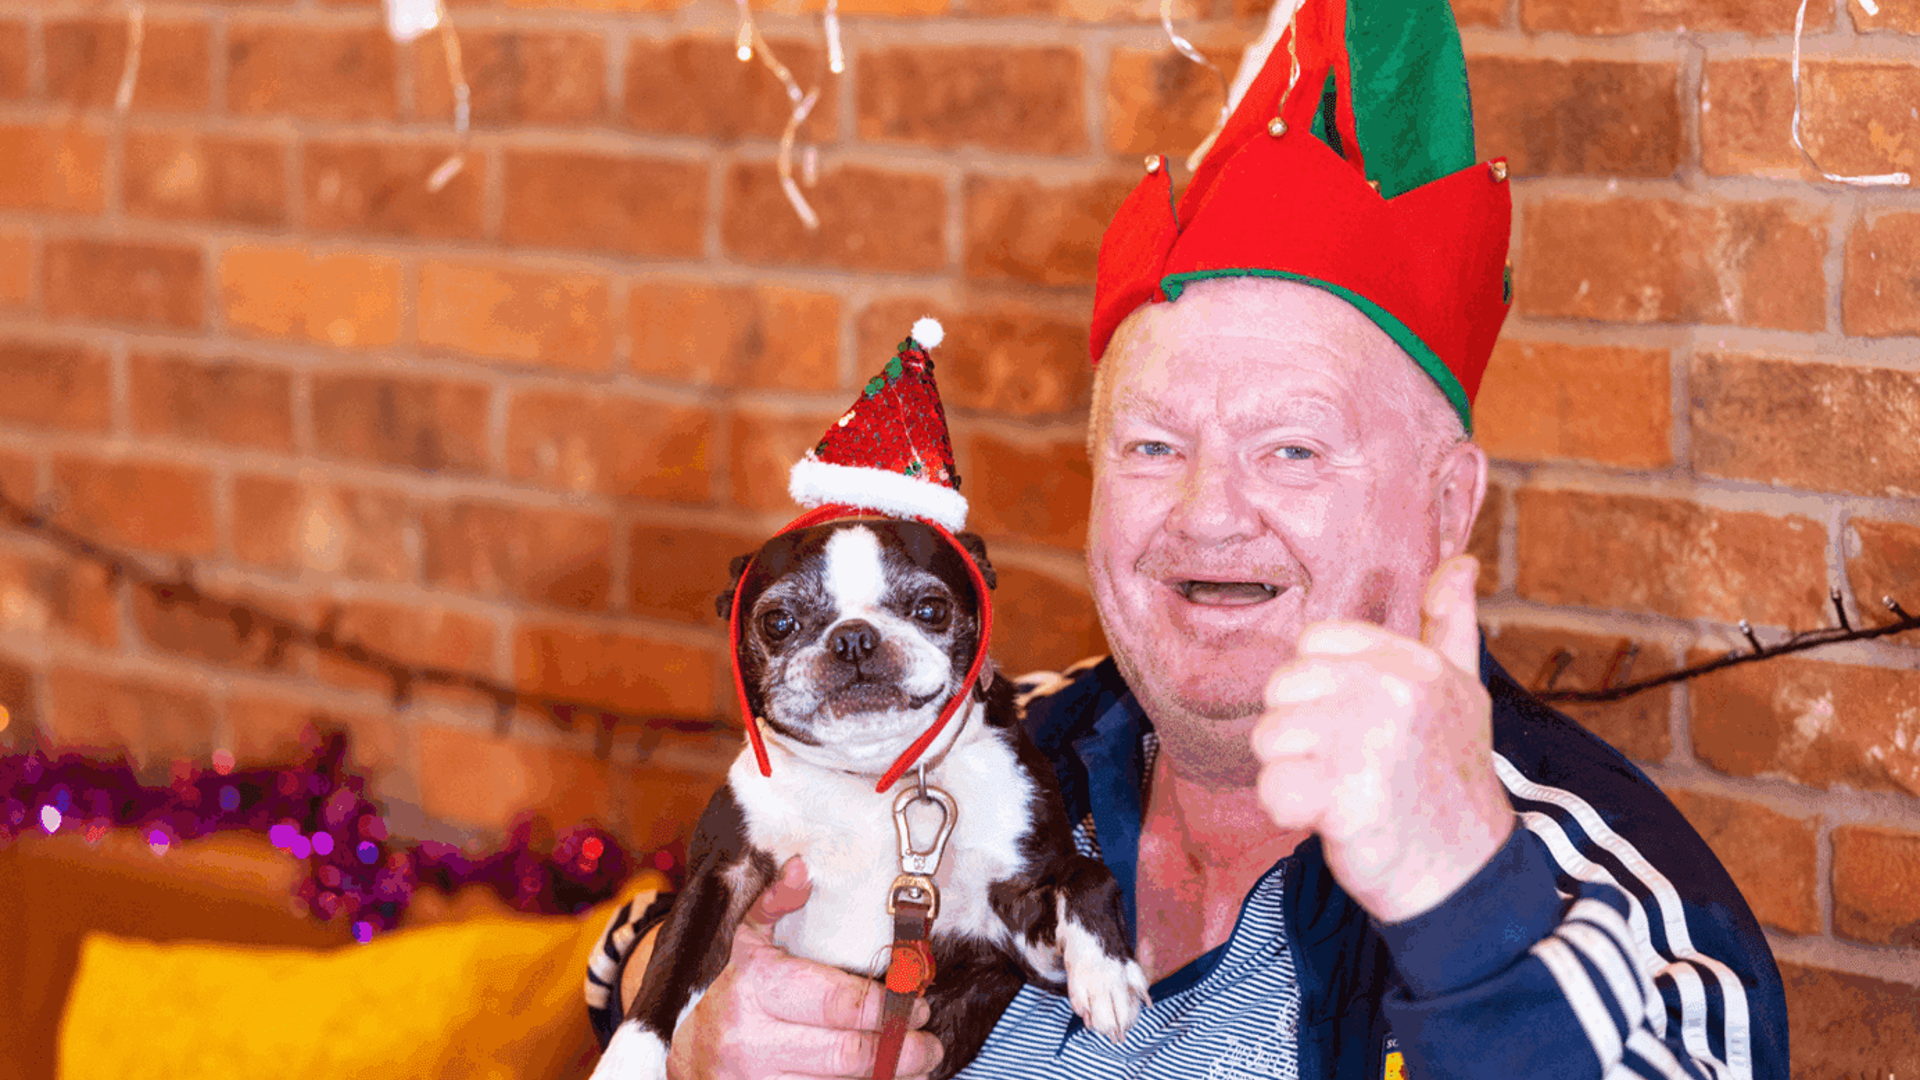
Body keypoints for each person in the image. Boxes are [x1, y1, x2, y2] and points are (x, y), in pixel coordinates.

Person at [585, 0, 1789, 1076]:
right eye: (1154, 447)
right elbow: (636, 943)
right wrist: (699, 1032)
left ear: (1446, 504)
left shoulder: (1587, 873)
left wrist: (1459, 895)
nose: (1210, 511)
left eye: (1295, 450)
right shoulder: (1005, 738)